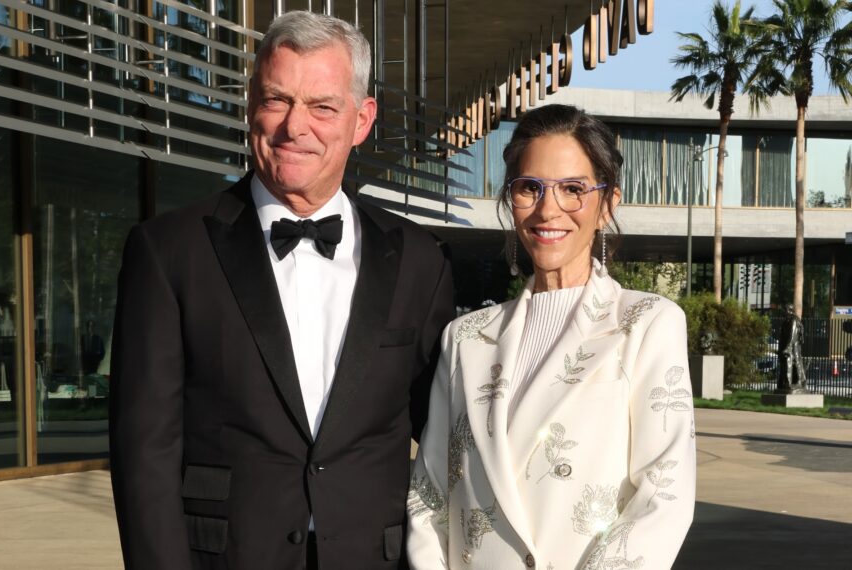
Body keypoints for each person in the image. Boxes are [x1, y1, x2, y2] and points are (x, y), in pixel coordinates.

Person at [109, 11, 454, 570]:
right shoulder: (168, 251)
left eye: (323, 107)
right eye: (277, 100)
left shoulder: (419, 260)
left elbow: (447, 437)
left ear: (362, 120)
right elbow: (144, 452)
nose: (296, 127)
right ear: (251, 105)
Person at [407, 105, 695, 569]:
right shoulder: (465, 338)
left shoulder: (646, 323)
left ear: (607, 204)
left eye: (573, 189)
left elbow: (663, 497)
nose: (548, 209)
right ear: (511, 198)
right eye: (529, 188)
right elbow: (430, 494)